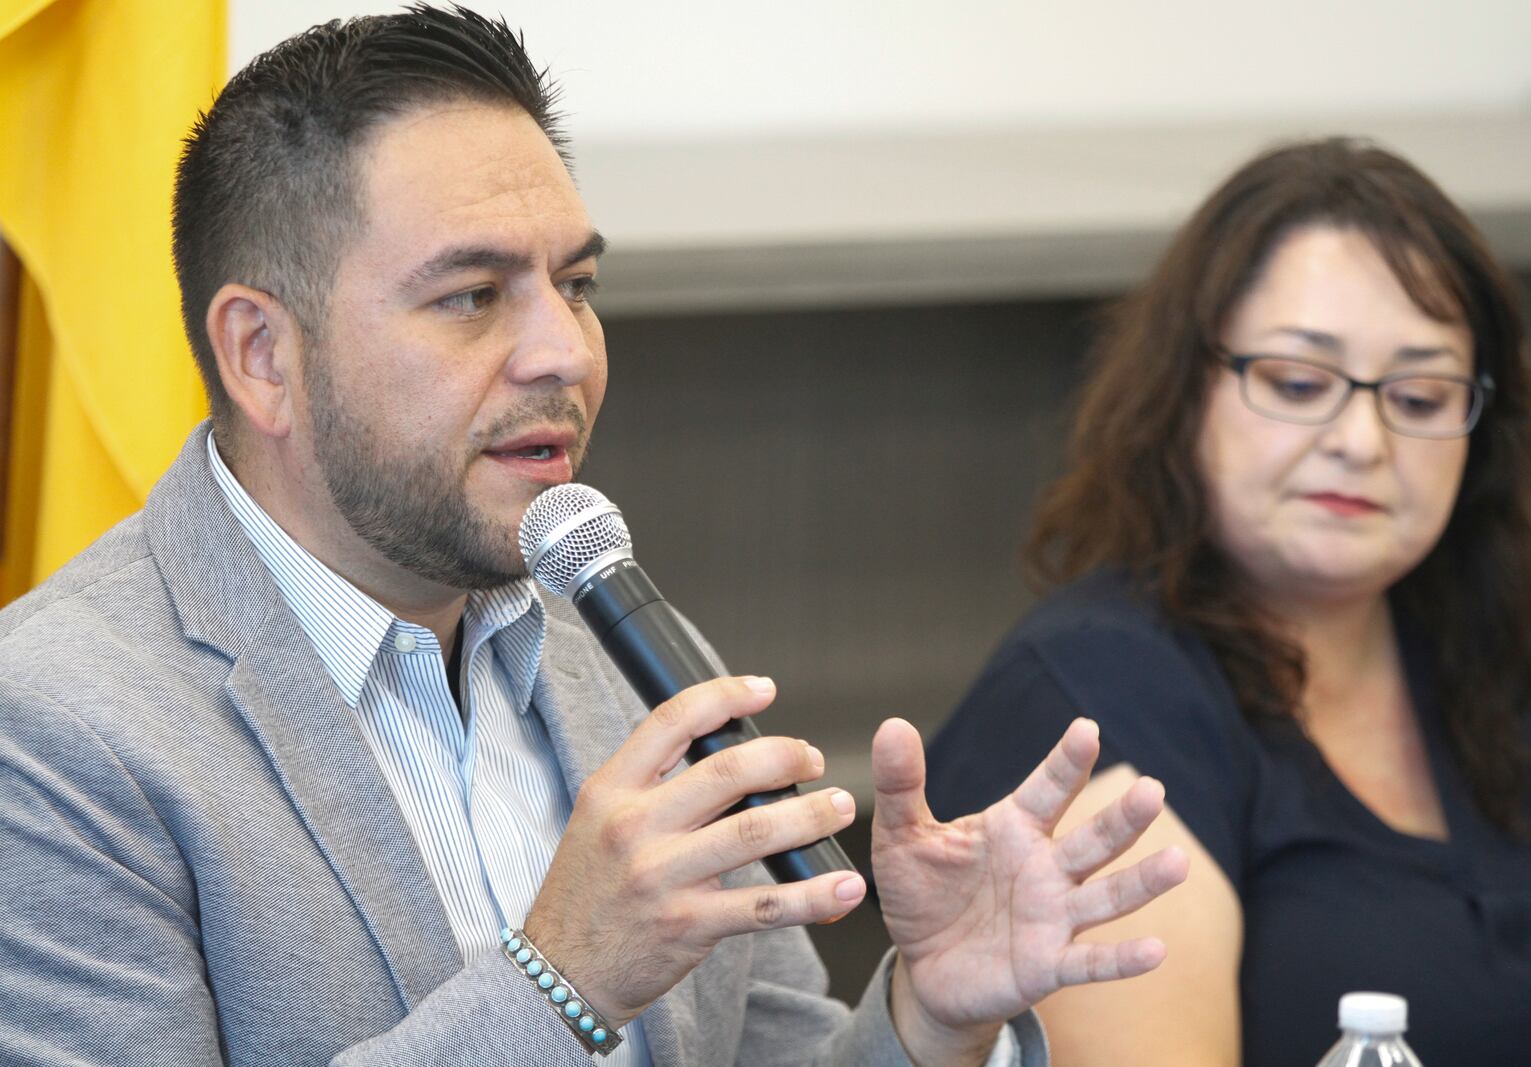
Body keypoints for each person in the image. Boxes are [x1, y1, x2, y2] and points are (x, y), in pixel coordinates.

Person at [0, 7, 1189, 1066]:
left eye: (575, 284)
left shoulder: (622, 648)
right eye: (472, 294)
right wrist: (559, 980)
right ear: (263, 353)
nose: (564, 351)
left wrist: (928, 1022)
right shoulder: (55, 725)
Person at [924, 137, 1531, 1066]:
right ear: (1187, 389)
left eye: (1419, 394)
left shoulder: (1516, 658)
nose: (1362, 439)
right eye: (1298, 382)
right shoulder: (1093, 695)